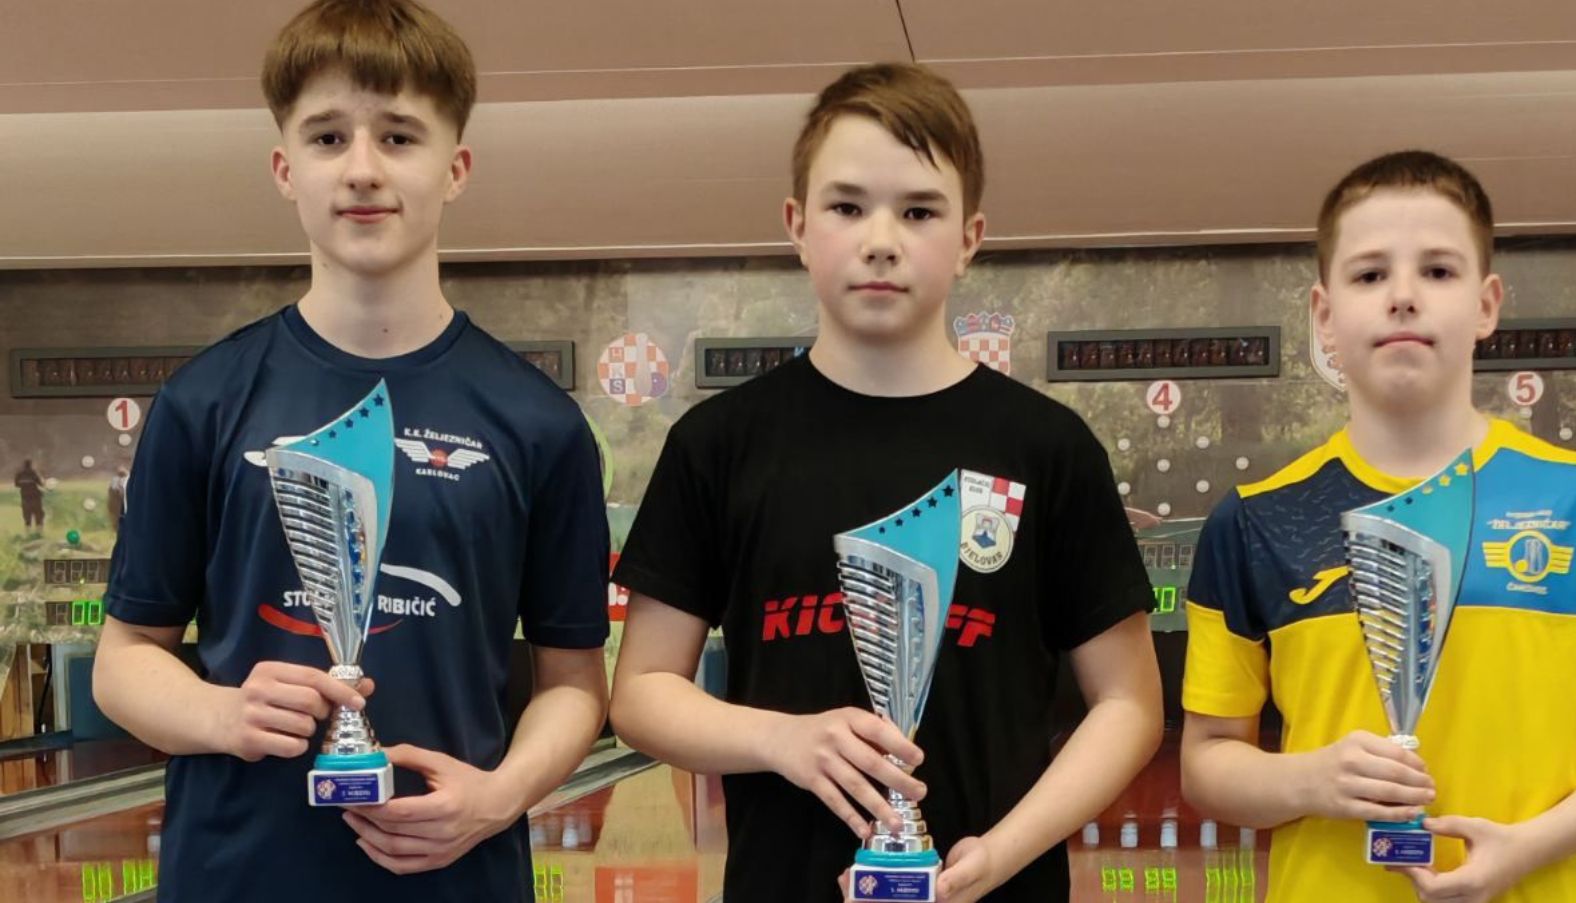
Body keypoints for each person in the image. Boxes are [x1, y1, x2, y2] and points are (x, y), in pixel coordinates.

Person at [608, 62, 1164, 903]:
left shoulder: (1048, 449)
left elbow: (1128, 703)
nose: (881, 238)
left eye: (918, 211)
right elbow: (643, 693)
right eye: (847, 206)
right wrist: (783, 740)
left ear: (970, 237)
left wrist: (1002, 852)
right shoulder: (719, 445)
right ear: (797, 226)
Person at [92, 3, 610, 900]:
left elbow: (574, 680)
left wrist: (501, 796)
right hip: (236, 876)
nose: (363, 168)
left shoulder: (537, 423)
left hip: (456, 880)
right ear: (285, 169)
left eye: (399, 136)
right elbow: (124, 658)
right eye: (328, 137)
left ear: (455, 168)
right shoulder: (203, 402)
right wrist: (223, 711)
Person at [1180, 150, 1576, 902]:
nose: (1403, 297)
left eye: (1438, 270)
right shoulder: (1255, 520)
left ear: (1487, 304)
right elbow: (1208, 760)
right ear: (1324, 316)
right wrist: (1308, 778)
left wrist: (1527, 848)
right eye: (1371, 274)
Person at [15, 458, 44, 532]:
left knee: (27, 516)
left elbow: (16, 484)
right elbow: (41, 483)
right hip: (35, 497)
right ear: (31, 465)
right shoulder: (34, 473)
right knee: (38, 515)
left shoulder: (19, 474)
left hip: (25, 498)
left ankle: (28, 532)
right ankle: (39, 531)